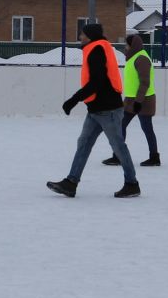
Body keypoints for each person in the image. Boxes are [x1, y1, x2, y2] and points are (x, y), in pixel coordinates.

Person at [47, 21, 139, 199]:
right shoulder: (98, 48)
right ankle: (71, 183)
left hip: (109, 110)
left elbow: (96, 82)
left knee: (118, 147)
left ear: (89, 36)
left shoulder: (96, 51)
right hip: (97, 110)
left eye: (82, 34)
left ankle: (132, 184)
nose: (80, 37)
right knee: (83, 144)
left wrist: (74, 99)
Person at [104, 30, 161, 167]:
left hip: (143, 101)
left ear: (133, 46)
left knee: (147, 128)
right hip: (131, 100)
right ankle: (118, 156)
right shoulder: (133, 57)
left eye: (127, 45)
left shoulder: (141, 59)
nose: (125, 47)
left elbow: (145, 82)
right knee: (120, 125)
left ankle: (154, 157)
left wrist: (138, 102)